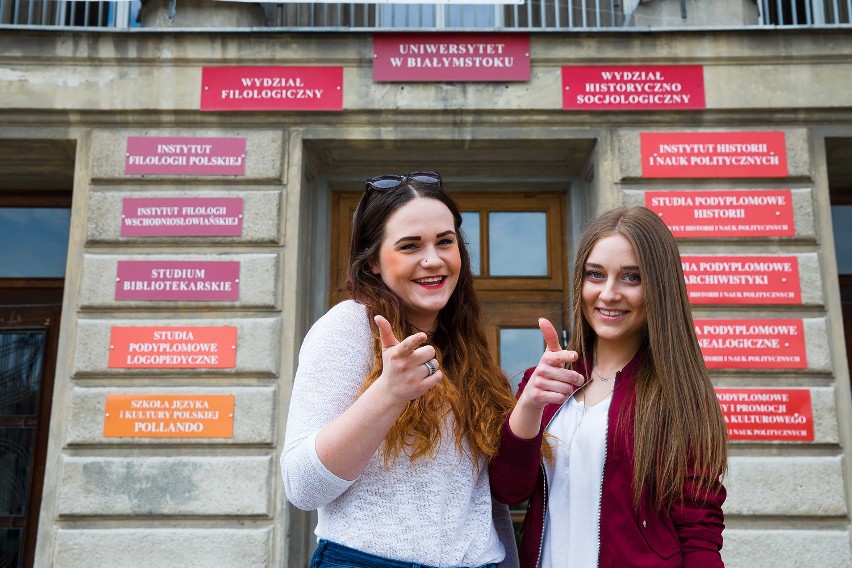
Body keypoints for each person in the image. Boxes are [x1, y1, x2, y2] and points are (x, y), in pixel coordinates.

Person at [281, 171, 519, 568]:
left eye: (445, 242)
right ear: (373, 261)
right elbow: (303, 487)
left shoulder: (463, 340)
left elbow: (479, 498)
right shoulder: (349, 328)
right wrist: (388, 394)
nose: (433, 259)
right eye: (410, 246)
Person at [489, 206, 728, 568]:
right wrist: (529, 404)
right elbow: (508, 489)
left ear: (659, 287)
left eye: (631, 277)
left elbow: (699, 533)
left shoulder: (679, 397)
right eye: (595, 275)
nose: (609, 293)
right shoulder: (548, 381)